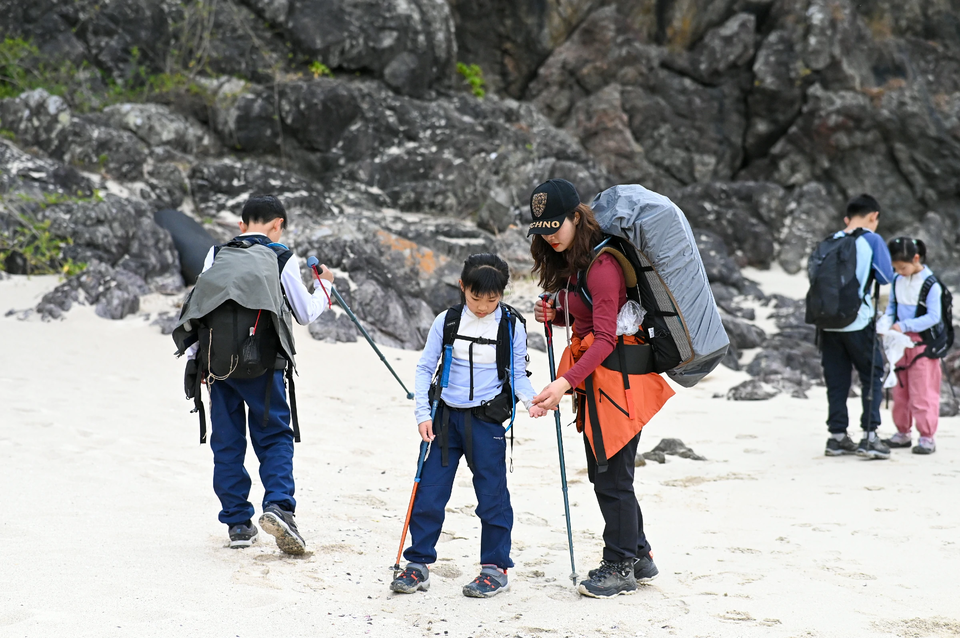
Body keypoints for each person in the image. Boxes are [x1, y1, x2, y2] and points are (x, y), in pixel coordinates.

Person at [528, 178, 675, 599]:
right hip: (601, 383)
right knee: (607, 473)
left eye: (556, 225)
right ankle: (639, 555)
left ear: (577, 217)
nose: (550, 236)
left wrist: (563, 382)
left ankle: (619, 565)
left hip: (620, 384)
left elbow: (607, 338)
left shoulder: (603, 266)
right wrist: (556, 314)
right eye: (543, 229)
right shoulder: (576, 262)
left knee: (612, 477)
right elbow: (588, 318)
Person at [175, 195, 334, 553]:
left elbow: (199, 305)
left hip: (218, 367)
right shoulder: (281, 257)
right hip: (264, 365)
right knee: (274, 436)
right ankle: (279, 507)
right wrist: (326, 287)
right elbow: (304, 313)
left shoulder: (216, 254)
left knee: (227, 442)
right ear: (278, 224)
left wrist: (197, 361)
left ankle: (237, 524)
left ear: (241, 225)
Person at [391, 253, 547, 598]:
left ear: (502, 294)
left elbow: (517, 374)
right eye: (476, 298)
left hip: (487, 421)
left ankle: (495, 568)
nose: (482, 307)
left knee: (492, 496)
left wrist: (531, 401)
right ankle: (417, 564)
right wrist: (422, 414)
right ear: (463, 287)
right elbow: (424, 367)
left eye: (492, 299)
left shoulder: (511, 324)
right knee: (429, 492)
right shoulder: (447, 320)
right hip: (444, 419)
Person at [816, 194, 895, 459]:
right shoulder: (871, 239)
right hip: (858, 321)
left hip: (827, 322)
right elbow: (885, 277)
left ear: (847, 217)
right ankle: (870, 437)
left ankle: (836, 437)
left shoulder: (830, 240)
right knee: (871, 375)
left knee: (837, 379)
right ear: (874, 216)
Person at [882, 237, 943, 455]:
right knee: (900, 392)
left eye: (902, 267)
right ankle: (902, 432)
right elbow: (892, 306)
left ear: (916, 259)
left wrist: (905, 325)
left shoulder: (930, 284)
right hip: (900, 343)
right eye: (896, 268)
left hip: (922, 345)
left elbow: (934, 316)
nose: (899, 272)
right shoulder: (898, 280)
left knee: (922, 392)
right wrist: (886, 322)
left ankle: (927, 437)